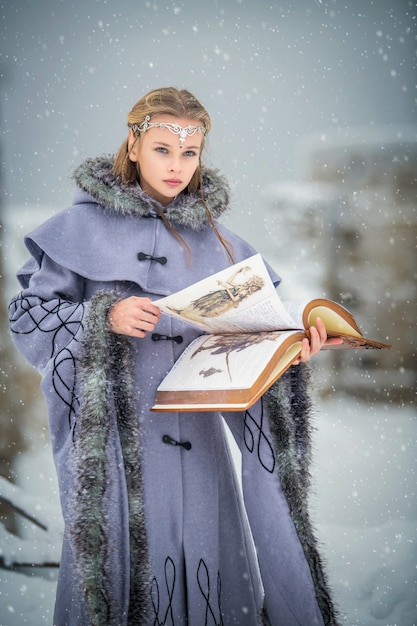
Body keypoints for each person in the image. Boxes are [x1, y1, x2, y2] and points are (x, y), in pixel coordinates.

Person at [9, 87, 341, 626]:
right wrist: (102, 317)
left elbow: (252, 341)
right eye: (163, 149)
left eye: (190, 153)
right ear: (134, 145)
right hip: (117, 447)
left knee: (210, 570)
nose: (177, 165)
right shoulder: (75, 232)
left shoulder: (224, 245)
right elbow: (28, 317)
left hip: (202, 449)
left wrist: (290, 351)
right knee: (121, 576)